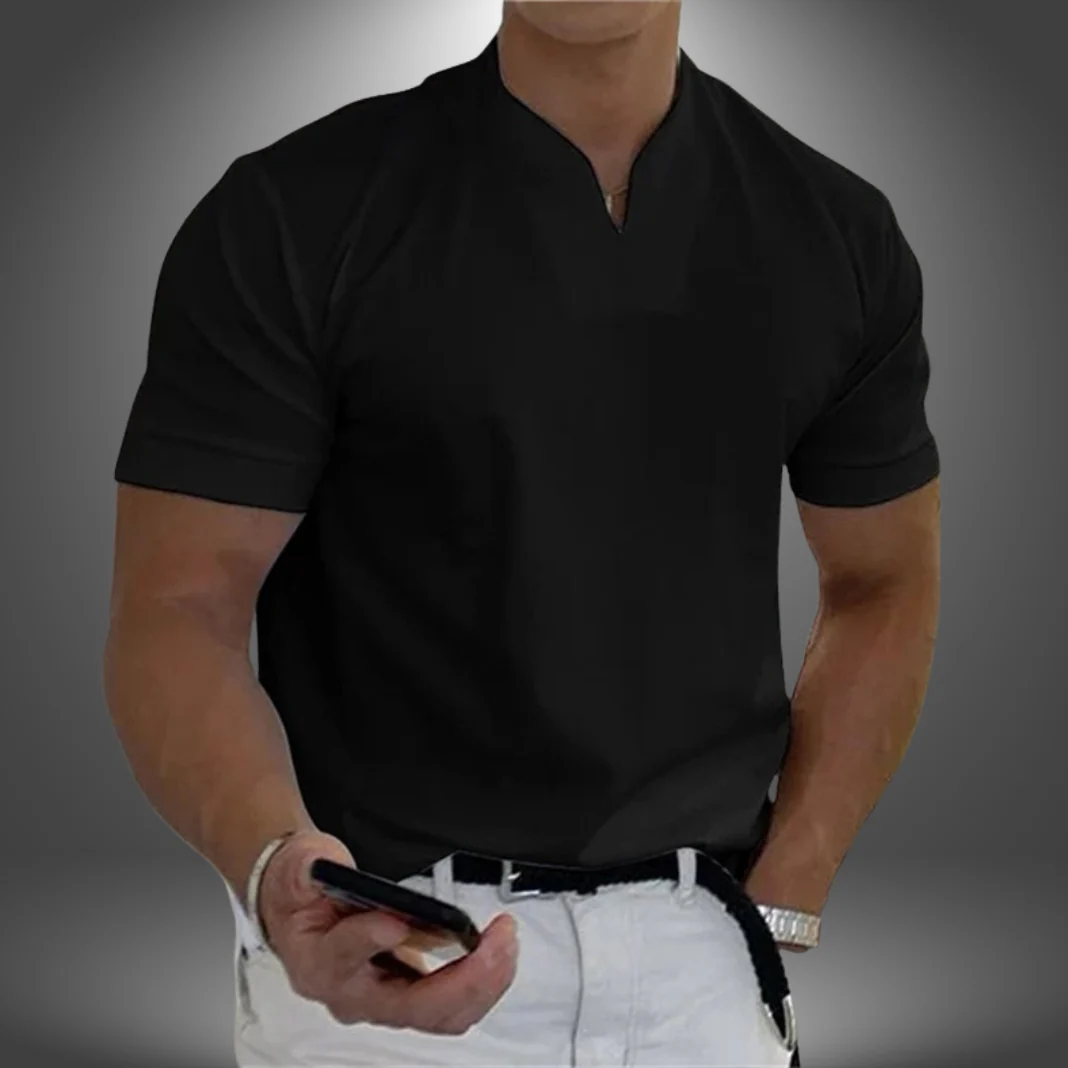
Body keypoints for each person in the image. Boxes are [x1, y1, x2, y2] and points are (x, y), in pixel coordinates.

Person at [103, 1, 941, 1065]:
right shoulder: (294, 214)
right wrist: (278, 867)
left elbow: (882, 581)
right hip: (390, 954)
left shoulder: (833, 228)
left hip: (707, 966)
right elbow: (180, 608)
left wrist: (793, 882)